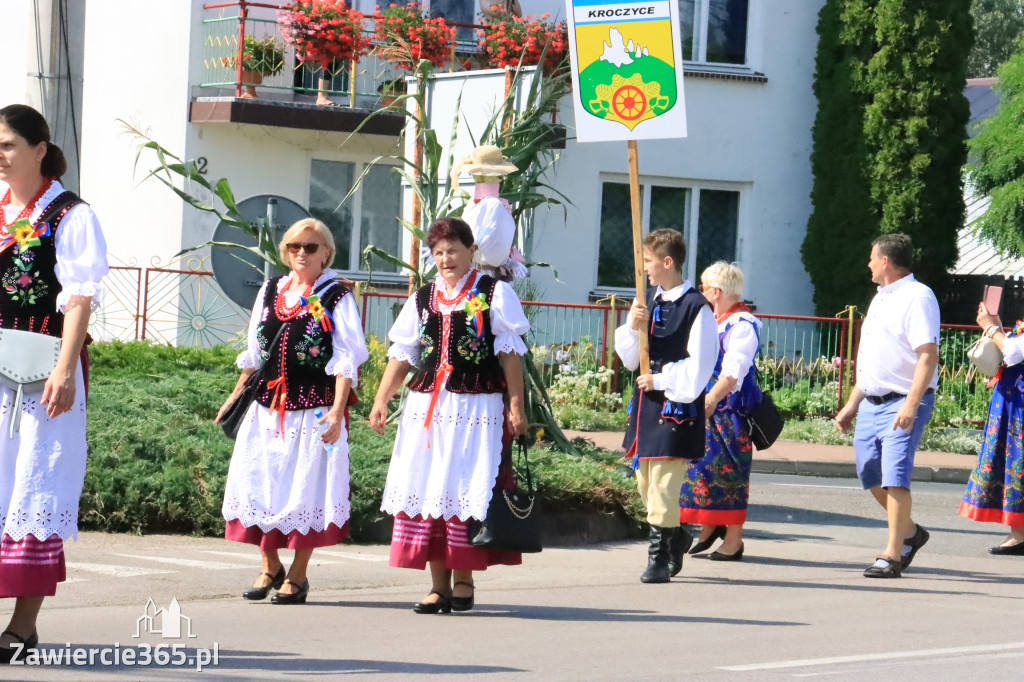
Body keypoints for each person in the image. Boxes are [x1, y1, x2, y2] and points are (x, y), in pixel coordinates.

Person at [370, 217, 529, 613]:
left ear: (471, 250)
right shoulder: (423, 298)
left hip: (477, 405)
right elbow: (403, 354)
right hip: (428, 407)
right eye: (438, 253)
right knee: (430, 488)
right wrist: (381, 399)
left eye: (453, 250)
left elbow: (510, 353)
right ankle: (437, 584)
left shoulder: (495, 293)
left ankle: (464, 579)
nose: (446, 259)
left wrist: (516, 404)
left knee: (462, 485)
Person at [0, 104, 109, 662]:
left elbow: (80, 299)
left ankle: (22, 625)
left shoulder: (70, 214)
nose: (1, 154)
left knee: (34, 488)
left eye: (8, 144)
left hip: (42, 371)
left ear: (40, 149)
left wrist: (65, 370)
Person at [216, 218, 368, 605]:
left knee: (307, 493)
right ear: (285, 251)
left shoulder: (337, 296)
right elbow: (255, 352)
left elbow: (346, 359)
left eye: (311, 247)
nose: (302, 253)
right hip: (265, 406)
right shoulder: (270, 290)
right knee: (255, 486)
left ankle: (297, 575)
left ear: (327, 253)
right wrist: (235, 396)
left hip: (315, 410)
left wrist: (336, 413)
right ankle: (270, 564)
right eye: (294, 247)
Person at [615, 229, 718, 583]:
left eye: (647, 261)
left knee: (662, 485)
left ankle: (659, 558)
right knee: (645, 483)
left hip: (677, 405)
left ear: (667, 261)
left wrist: (661, 380)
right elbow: (630, 360)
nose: (643, 268)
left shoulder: (697, 307)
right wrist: (632, 326)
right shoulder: (648, 302)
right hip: (647, 407)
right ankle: (677, 534)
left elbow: (701, 365)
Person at [835, 233, 938, 579]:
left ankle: (892, 554)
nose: (868, 264)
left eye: (871, 258)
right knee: (871, 474)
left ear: (886, 262)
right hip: (871, 403)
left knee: (895, 479)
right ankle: (911, 532)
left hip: (903, 401)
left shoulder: (918, 297)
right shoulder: (881, 298)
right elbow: (872, 361)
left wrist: (910, 405)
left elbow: (928, 355)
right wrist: (852, 403)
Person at [680, 262, 762, 561]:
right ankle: (709, 527)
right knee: (701, 471)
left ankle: (734, 540)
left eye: (703, 288)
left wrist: (711, 399)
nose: (701, 293)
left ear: (715, 292)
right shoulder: (714, 321)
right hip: (706, 407)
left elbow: (734, 370)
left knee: (730, 476)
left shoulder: (741, 325)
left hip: (728, 413)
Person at [959, 303, 1024, 555]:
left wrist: (991, 327)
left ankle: (1019, 534)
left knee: (1017, 461)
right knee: (1012, 462)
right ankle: (1018, 532)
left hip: (1019, 404)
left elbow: (1014, 354)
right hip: (1013, 400)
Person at [426, 145, 527, 283]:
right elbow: (473, 239)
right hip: (475, 272)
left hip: (481, 274)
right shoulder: (480, 205)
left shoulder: (491, 205)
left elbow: (483, 240)